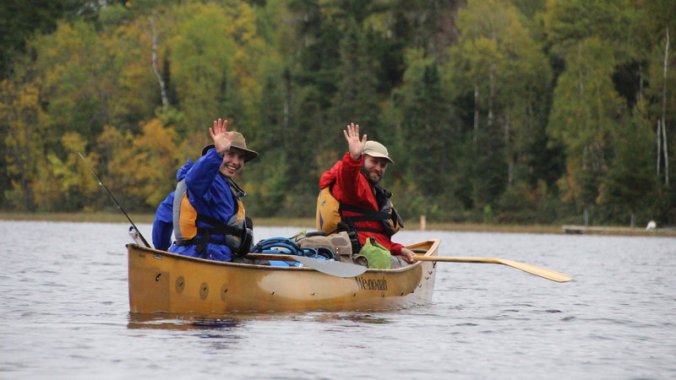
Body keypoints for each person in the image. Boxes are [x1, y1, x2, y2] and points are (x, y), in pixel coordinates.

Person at [317, 122, 416, 265]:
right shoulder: (353, 183)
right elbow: (348, 176)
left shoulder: (373, 190)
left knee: (399, 258)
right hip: (358, 255)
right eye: (374, 161)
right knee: (403, 265)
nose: (378, 168)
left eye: (383, 165)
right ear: (362, 160)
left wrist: (399, 250)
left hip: (365, 251)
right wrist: (353, 157)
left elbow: (374, 236)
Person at [166, 118, 258, 262]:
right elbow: (194, 181)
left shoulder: (225, 184)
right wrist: (217, 152)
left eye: (240, 158)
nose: (235, 162)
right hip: (201, 257)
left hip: (218, 255)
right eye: (230, 154)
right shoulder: (208, 179)